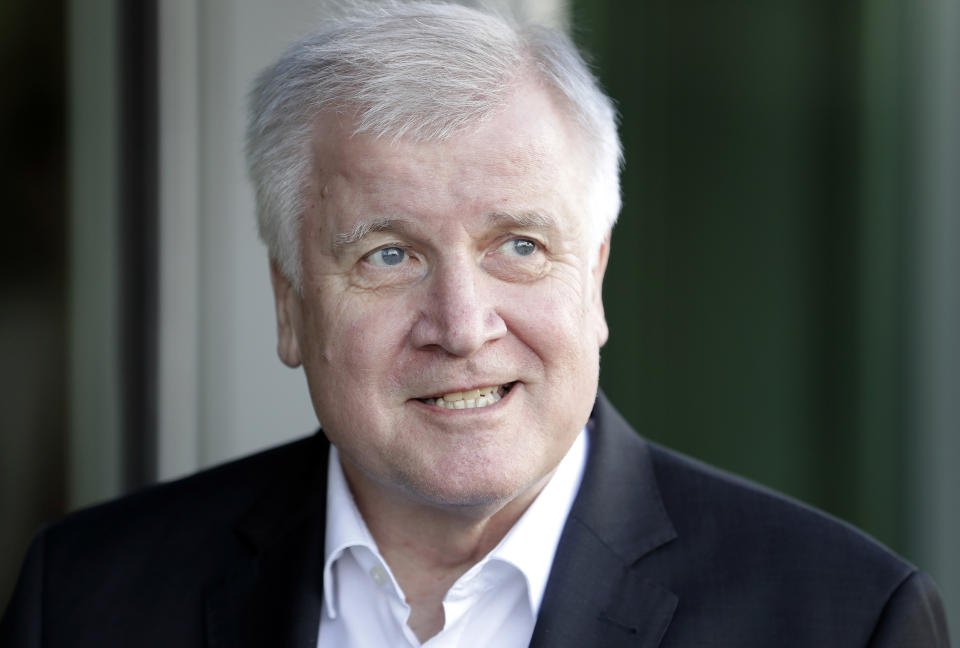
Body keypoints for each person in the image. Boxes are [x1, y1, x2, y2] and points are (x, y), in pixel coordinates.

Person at [0, 2, 951, 647]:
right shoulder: (88, 600)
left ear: (597, 281)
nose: (460, 325)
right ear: (290, 304)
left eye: (520, 247)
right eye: (388, 255)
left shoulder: (842, 620)